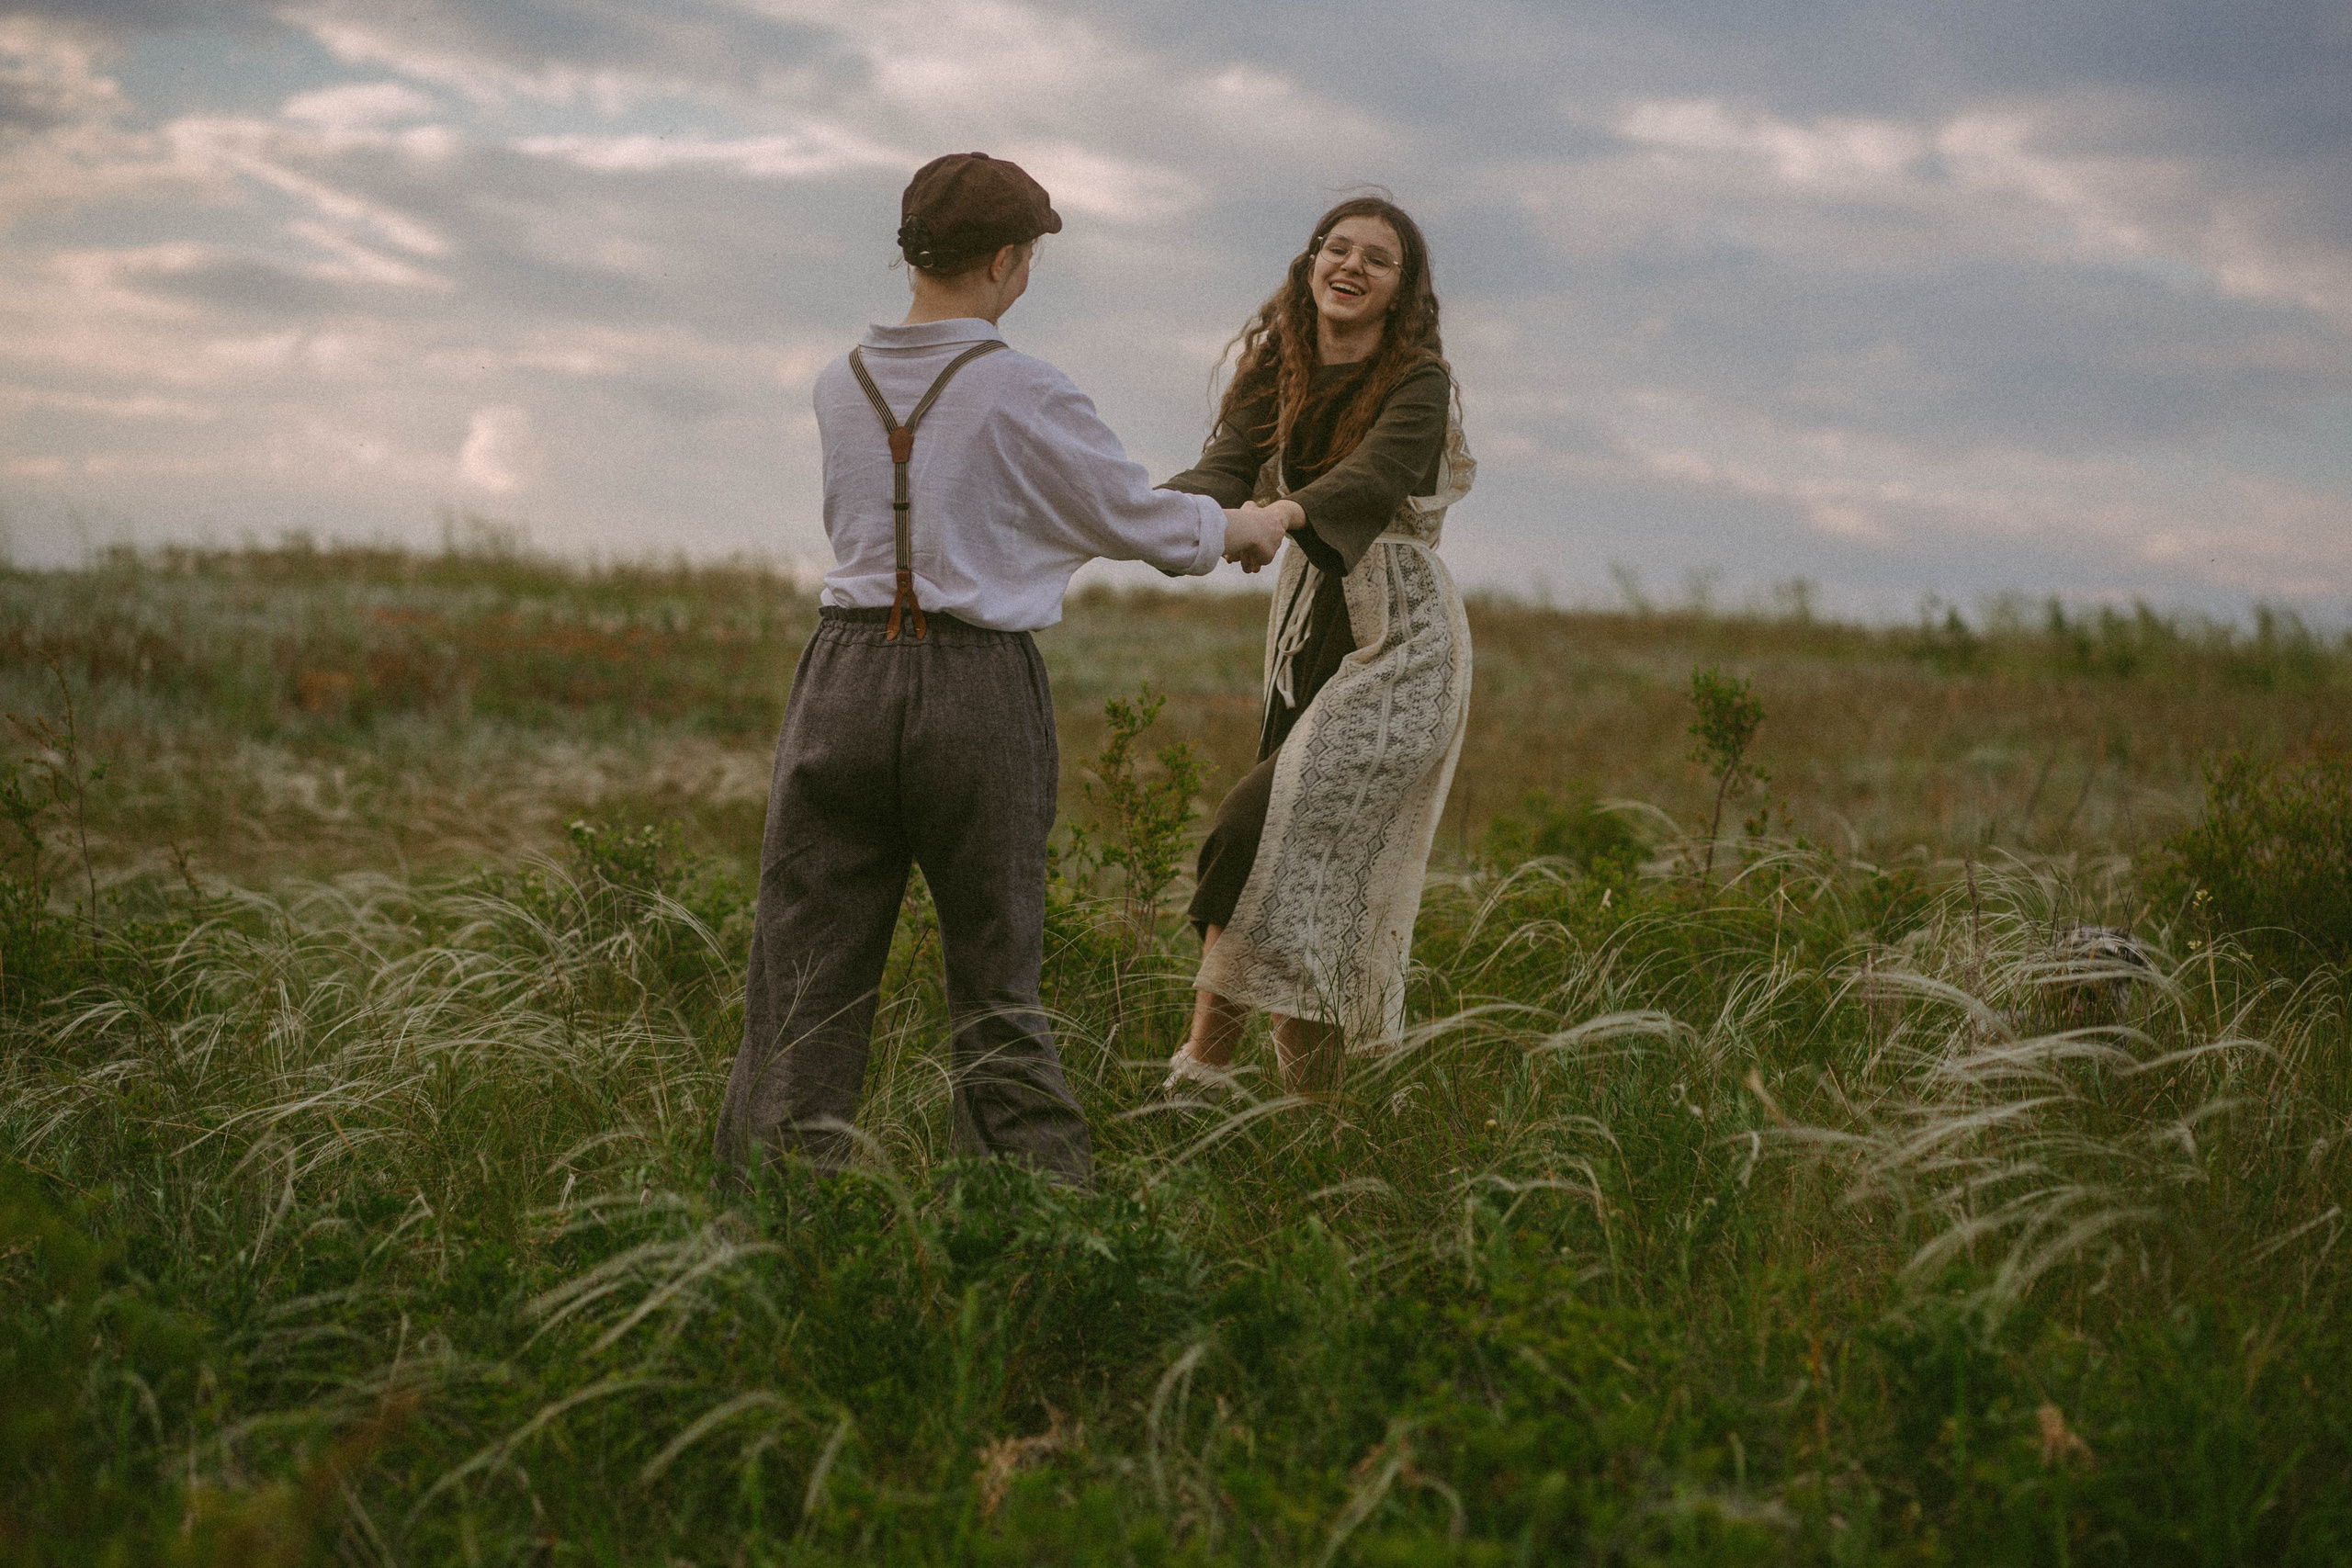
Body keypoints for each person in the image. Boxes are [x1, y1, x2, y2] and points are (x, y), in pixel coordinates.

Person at [714, 152, 1288, 1188]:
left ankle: (772, 1230)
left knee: (800, 981)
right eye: (1029, 257)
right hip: (973, 689)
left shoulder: (835, 383)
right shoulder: (1022, 388)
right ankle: (1038, 1234)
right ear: (1006, 261)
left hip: (839, 680)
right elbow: (1141, 521)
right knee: (993, 984)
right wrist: (1255, 521)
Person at [1158, 194, 1476, 1098]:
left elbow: (1372, 479)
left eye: (1378, 259)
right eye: (1336, 248)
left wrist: (1282, 512)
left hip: (1399, 640)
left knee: (1252, 831)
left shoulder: (1419, 381)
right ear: (1309, 264)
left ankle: (1199, 1085)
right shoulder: (1278, 367)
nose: (1351, 265)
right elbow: (1222, 473)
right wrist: (1129, 511)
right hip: (1309, 637)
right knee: (1306, 879)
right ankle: (1319, 1127)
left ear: (1402, 291)